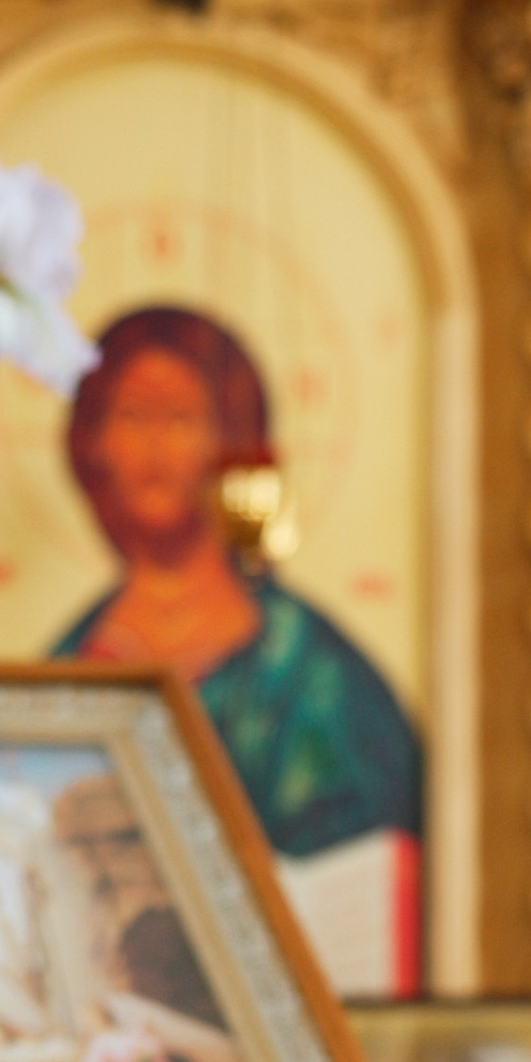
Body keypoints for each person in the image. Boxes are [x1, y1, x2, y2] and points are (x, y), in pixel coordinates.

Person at [53, 304, 421, 871]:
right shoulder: (69, 657)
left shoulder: (309, 665)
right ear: (94, 444)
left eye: (179, 418)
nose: (154, 445)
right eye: (131, 416)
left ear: (228, 441)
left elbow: (360, 848)